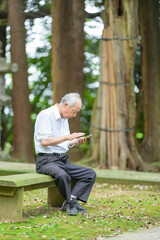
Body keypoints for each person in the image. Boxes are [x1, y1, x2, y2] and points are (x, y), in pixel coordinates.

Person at [34, 93, 96, 216]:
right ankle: (69, 202)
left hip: (60, 160)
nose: (74, 115)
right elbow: (45, 141)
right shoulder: (45, 115)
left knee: (89, 174)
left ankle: (71, 201)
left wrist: (74, 141)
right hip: (45, 161)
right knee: (62, 175)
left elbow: (64, 144)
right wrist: (68, 137)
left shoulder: (64, 119)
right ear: (66, 104)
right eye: (74, 111)